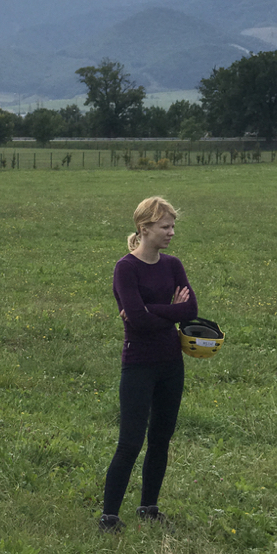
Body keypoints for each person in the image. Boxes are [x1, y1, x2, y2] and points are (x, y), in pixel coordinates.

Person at [99, 196, 197, 533]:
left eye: (172, 226)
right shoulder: (125, 268)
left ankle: (148, 506)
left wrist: (148, 311)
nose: (171, 232)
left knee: (161, 437)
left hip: (171, 362)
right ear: (145, 229)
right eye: (165, 226)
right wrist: (163, 312)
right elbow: (137, 322)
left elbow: (189, 310)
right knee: (130, 441)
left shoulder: (173, 265)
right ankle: (109, 515)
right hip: (139, 364)